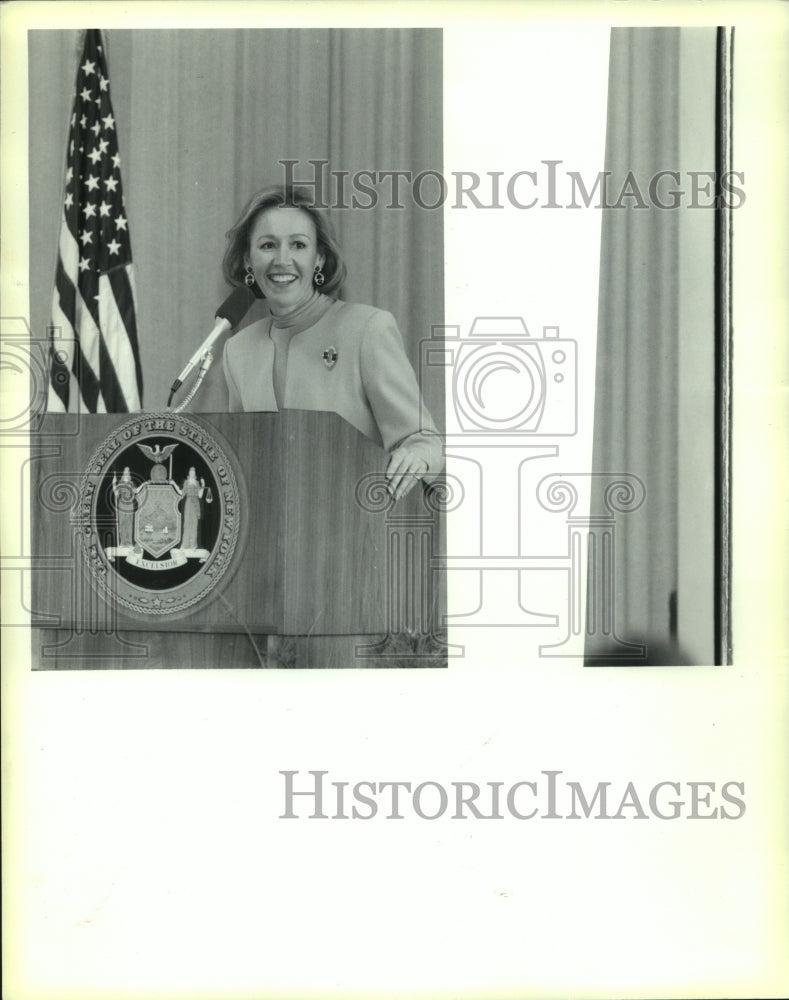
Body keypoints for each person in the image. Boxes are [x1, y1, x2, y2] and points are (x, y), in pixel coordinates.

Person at [221, 185, 443, 500]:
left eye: (298, 245)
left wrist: (416, 456)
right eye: (268, 245)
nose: (282, 260)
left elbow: (425, 442)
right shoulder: (237, 350)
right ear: (247, 260)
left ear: (319, 258)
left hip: (349, 528)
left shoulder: (368, 330)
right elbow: (238, 461)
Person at [173, 467, 205, 551]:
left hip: (195, 504)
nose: (192, 473)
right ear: (189, 473)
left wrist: (203, 485)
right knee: (187, 524)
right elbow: (181, 493)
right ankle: (185, 545)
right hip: (188, 503)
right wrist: (173, 484)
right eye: (190, 471)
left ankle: (193, 545)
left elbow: (200, 495)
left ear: (195, 473)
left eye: (193, 471)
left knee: (194, 524)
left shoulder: (197, 483)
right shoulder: (186, 482)